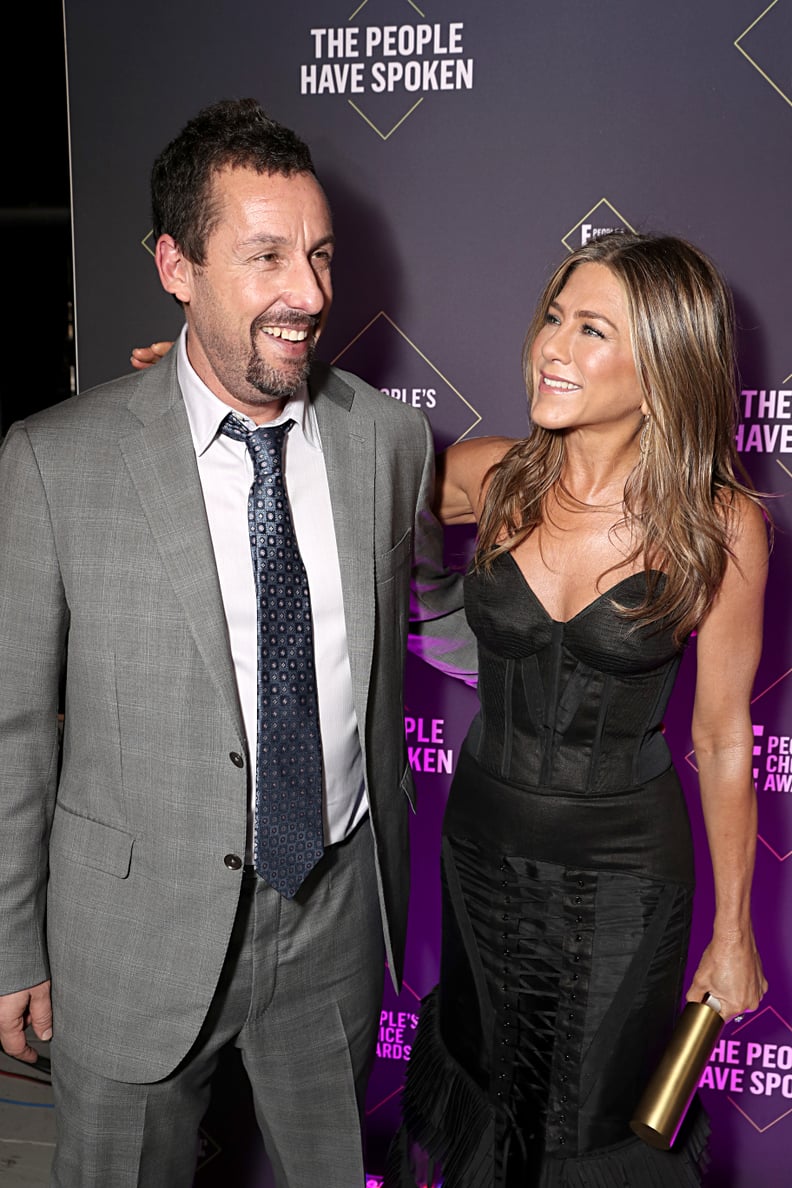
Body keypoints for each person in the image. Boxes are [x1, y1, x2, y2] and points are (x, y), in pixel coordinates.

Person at [0, 98, 474, 1188]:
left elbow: (429, 610)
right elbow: (15, 724)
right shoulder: (53, 462)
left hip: (335, 908)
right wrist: (12, 945)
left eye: (317, 255)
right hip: (133, 928)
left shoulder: (390, 440)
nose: (308, 293)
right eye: (264, 257)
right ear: (177, 266)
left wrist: (576, 673)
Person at [385, 231, 768, 1187]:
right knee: (485, 1092)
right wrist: (236, 401)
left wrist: (734, 932)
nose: (551, 346)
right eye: (554, 317)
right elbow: (339, 477)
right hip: (479, 849)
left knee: (585, 1129)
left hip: (626, 878)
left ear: (663, 368)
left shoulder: (721, 526)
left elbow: (722, 740)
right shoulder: (495, 475)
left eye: (591, 329)